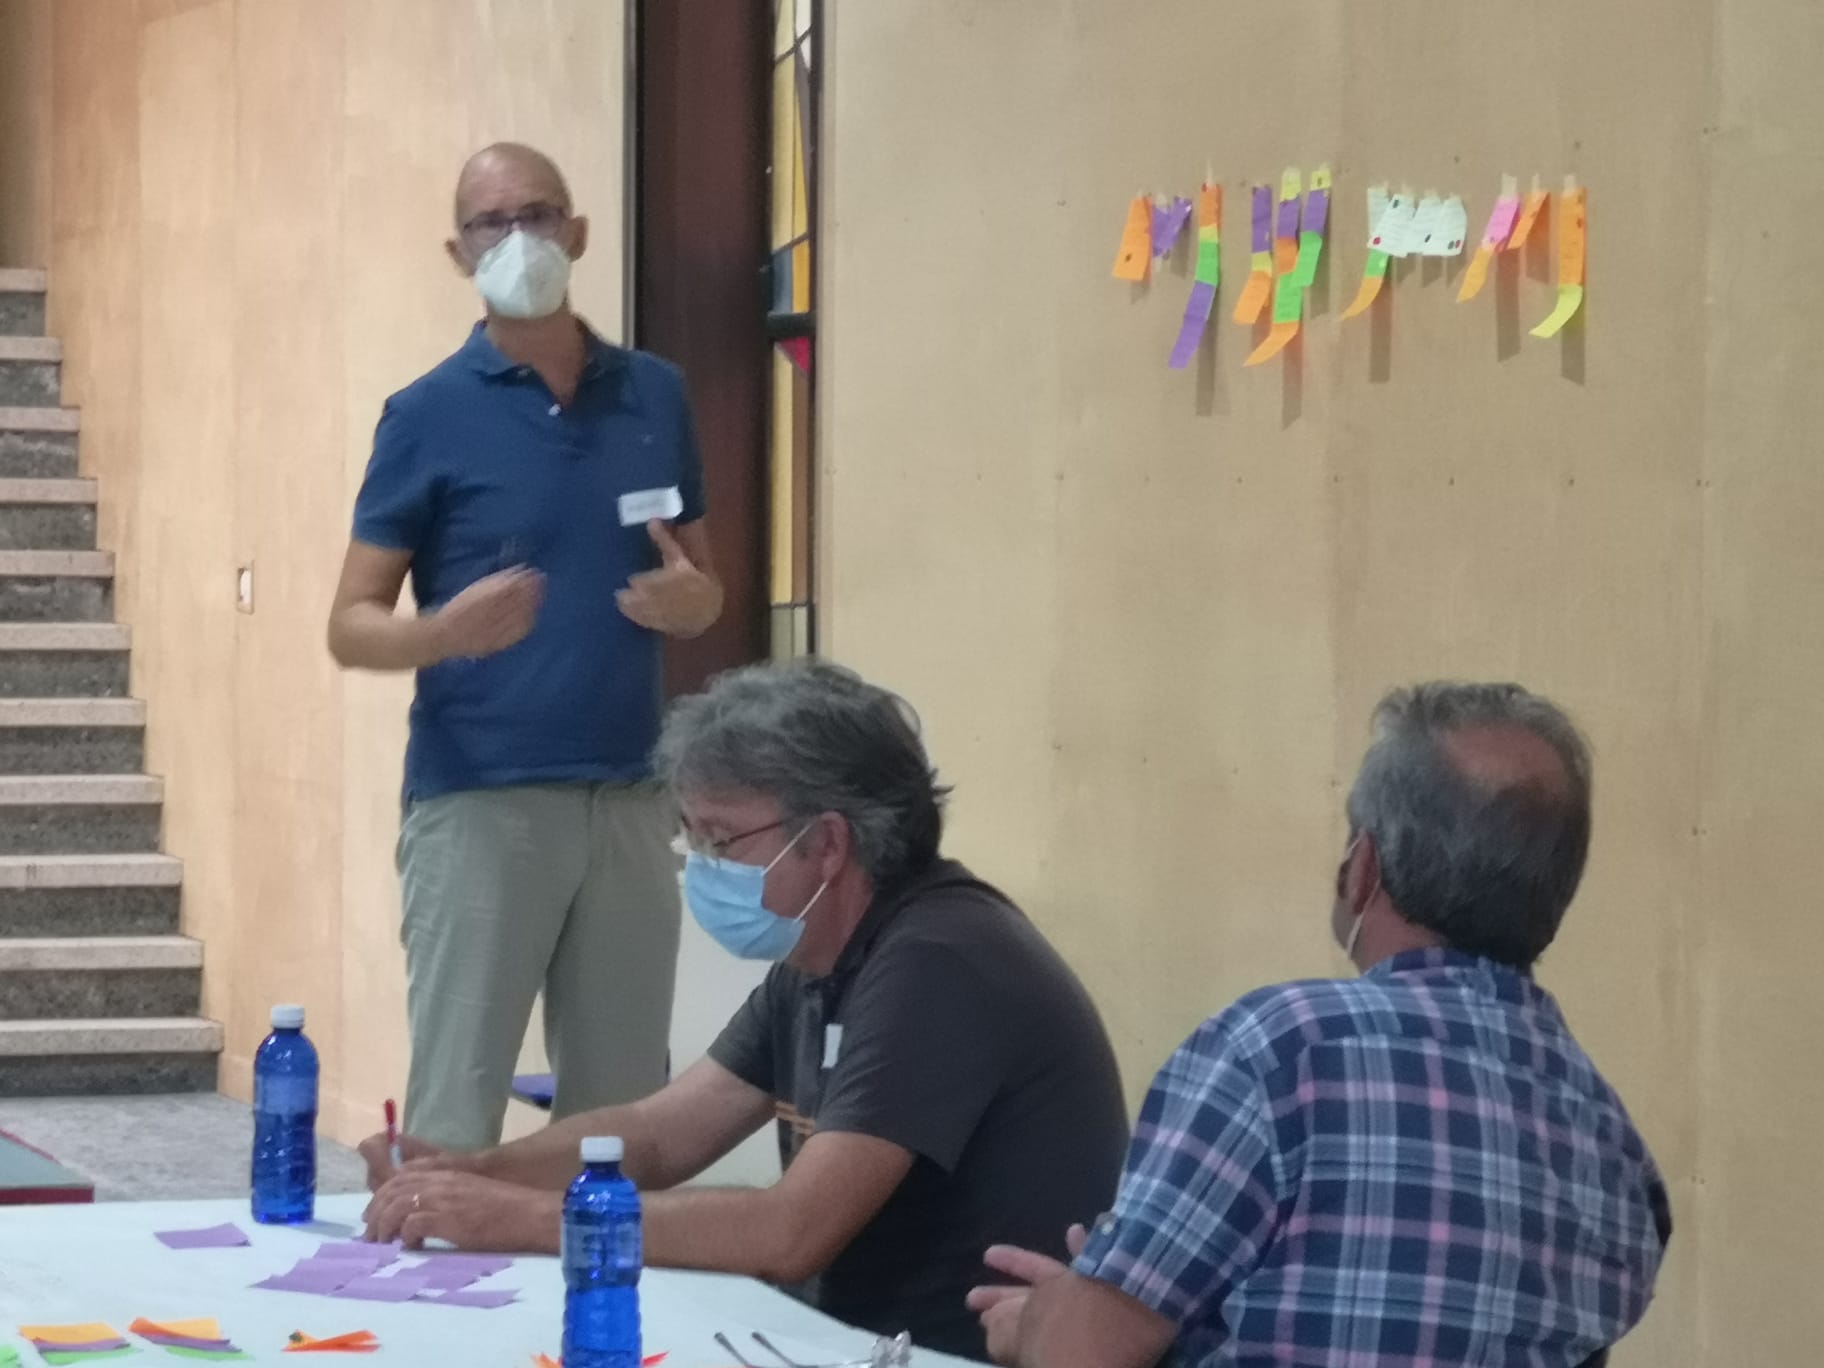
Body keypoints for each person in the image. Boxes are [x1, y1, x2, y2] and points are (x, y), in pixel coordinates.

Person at [357, 661, 1129, 1360]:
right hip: (844, 1341)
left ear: (826, 843)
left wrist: (518, 1218)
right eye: (692, 836)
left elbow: (792, 1231)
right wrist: (469, 1173)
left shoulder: (938, 961)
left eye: (722, 840)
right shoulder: (818, 959)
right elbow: (657, 1136)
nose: (703, 866)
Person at [972, 682, 1672, 1368]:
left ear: (1361, 865)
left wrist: (1039, 1324)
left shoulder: (1281, 1050)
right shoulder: (1618, 1151)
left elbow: (1081, 1353)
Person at [326, 142, 722, 1150]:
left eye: (538, 215)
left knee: (619, 1121)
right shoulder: (426, 415)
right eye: (491, 223)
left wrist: (694, 604)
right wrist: (441, 634)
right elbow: (350, 623)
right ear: (458, 253)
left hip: (631, 797)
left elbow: (704, 587)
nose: (517, 238)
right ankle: (439, 1257)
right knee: (456, 1118)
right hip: (481, 803)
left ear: (577, 233)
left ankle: (595, 1264)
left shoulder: (656, 396)